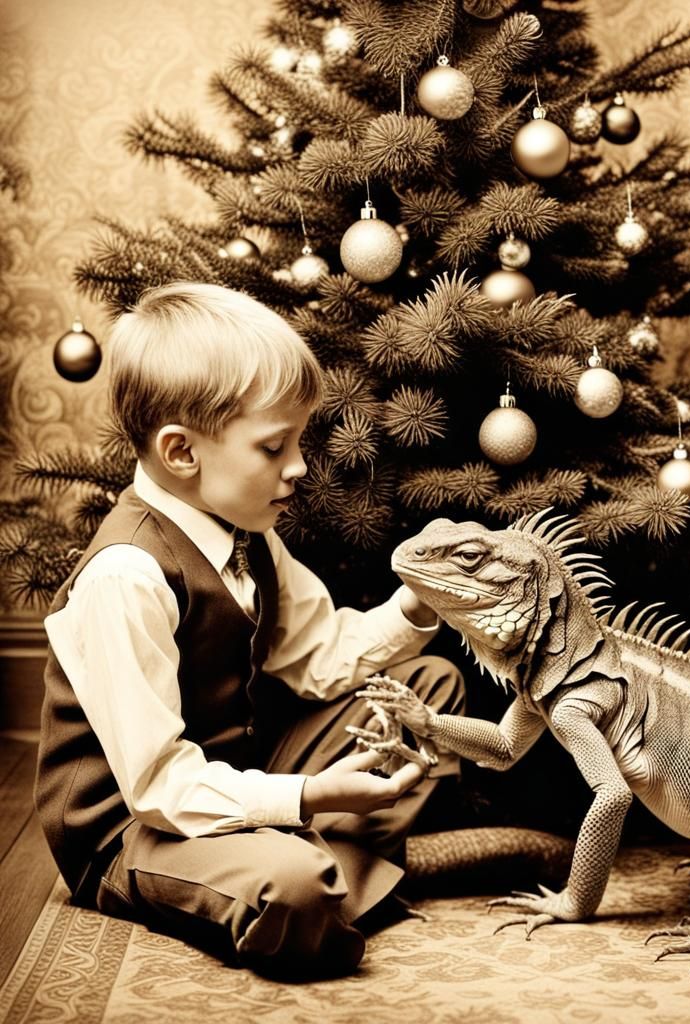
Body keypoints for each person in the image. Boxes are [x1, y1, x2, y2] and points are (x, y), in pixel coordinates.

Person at [35, 281, 464, 979]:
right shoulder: (126, 576)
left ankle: (317, 861)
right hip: (136, 826)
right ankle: (322, 870)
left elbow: (319, 657)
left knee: (426, 688)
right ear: (182, 452)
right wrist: (308, 797)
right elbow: (159, 788)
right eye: (275, 446)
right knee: (293, 894)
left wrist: (415, 608)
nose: (298, 466)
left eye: (299, 440)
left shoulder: (249, 534)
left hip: (243, 776)